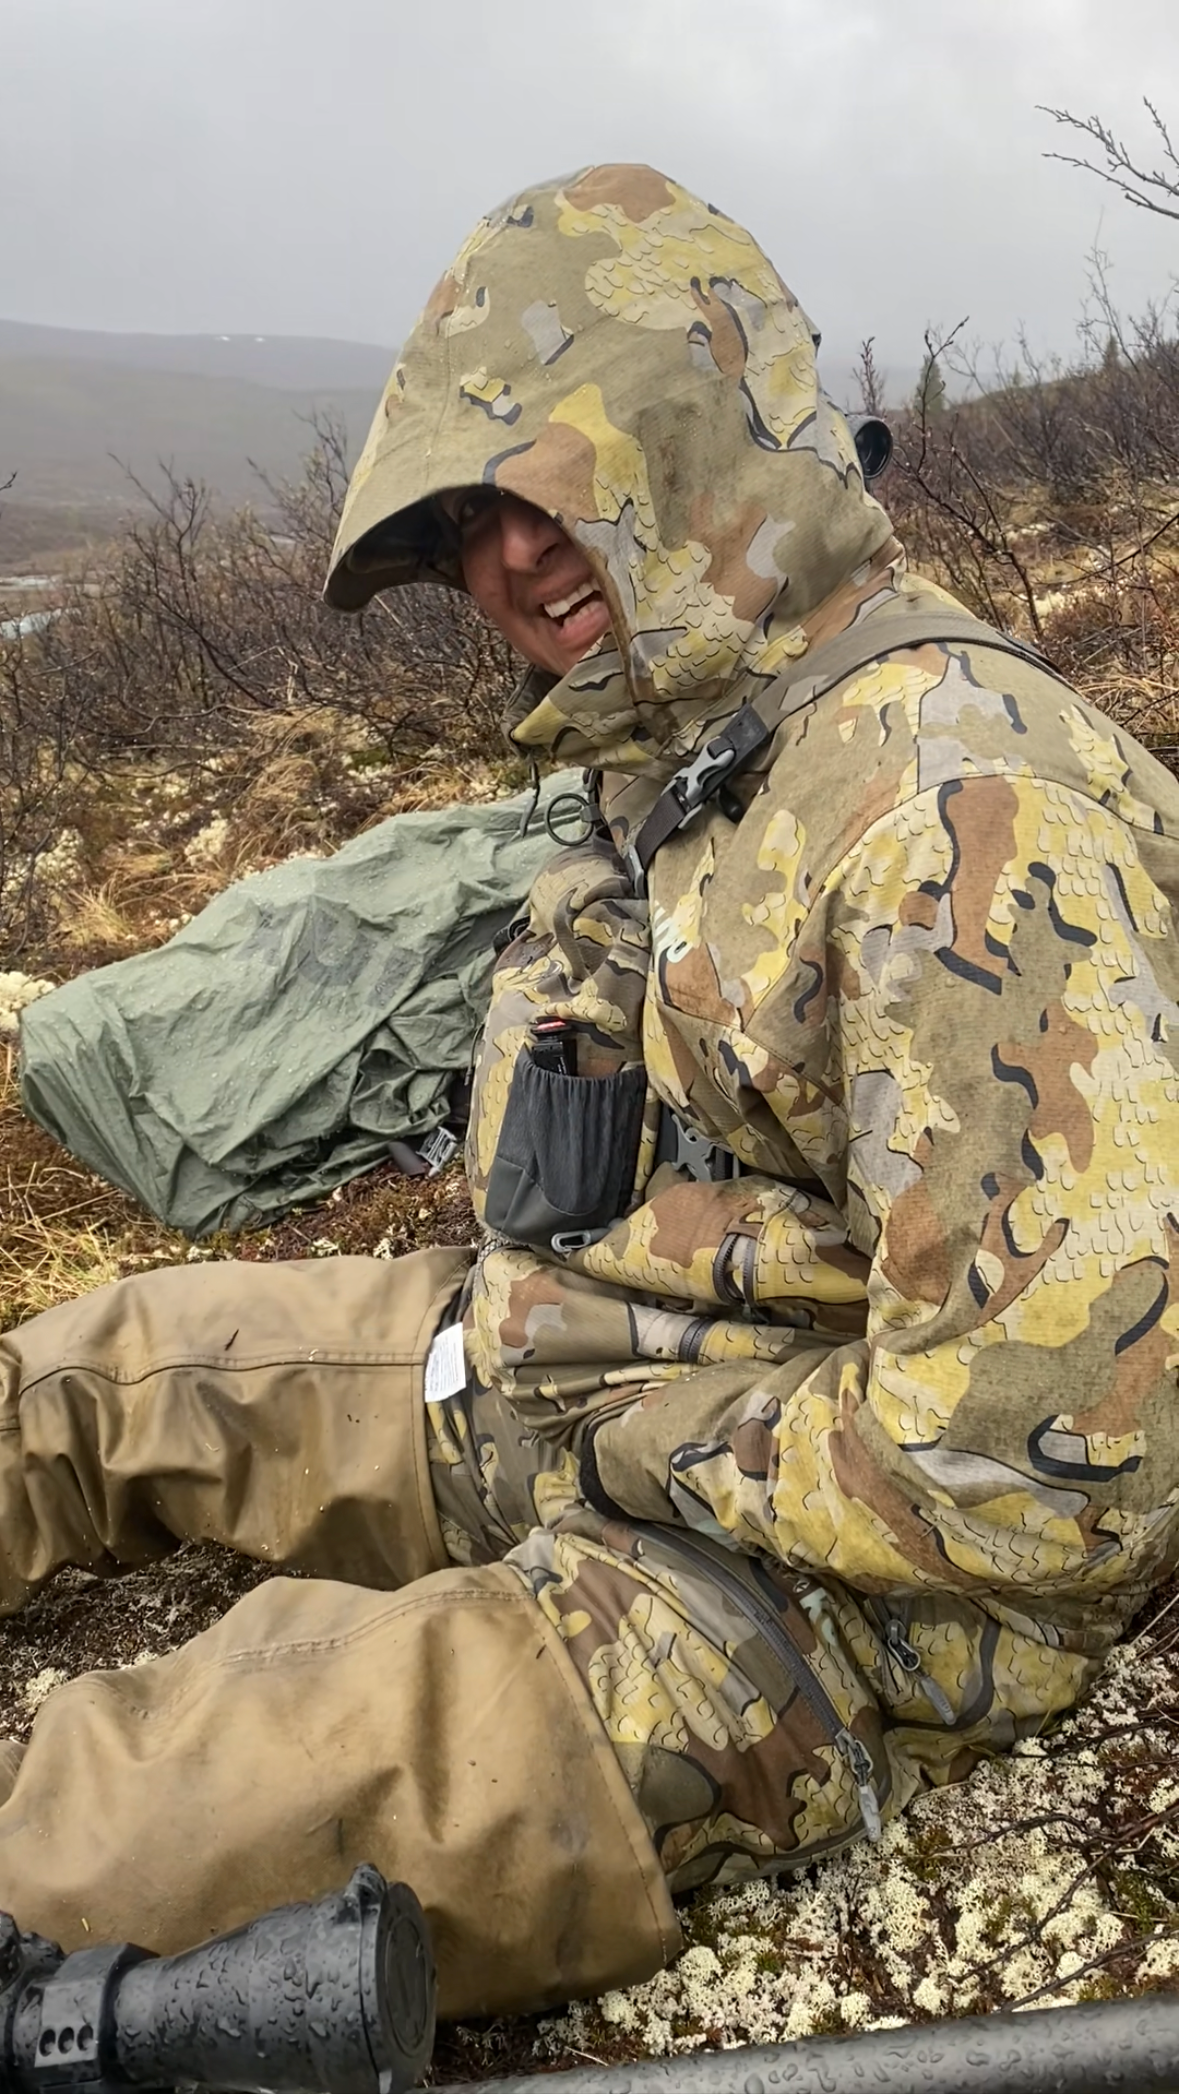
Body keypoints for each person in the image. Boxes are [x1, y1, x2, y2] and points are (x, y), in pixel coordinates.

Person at [2, 162, 1179, 2025]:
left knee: (105, 1833)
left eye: (547, 494)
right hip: (592, 1376)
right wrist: (586, 1374)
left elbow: (1040, 1494)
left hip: (817, 1615)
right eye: (471, 524)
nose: (511, 565)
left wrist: (638, 1441)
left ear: (685, 433)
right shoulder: (700, 744)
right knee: (101, 1372)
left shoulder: (959, 813)